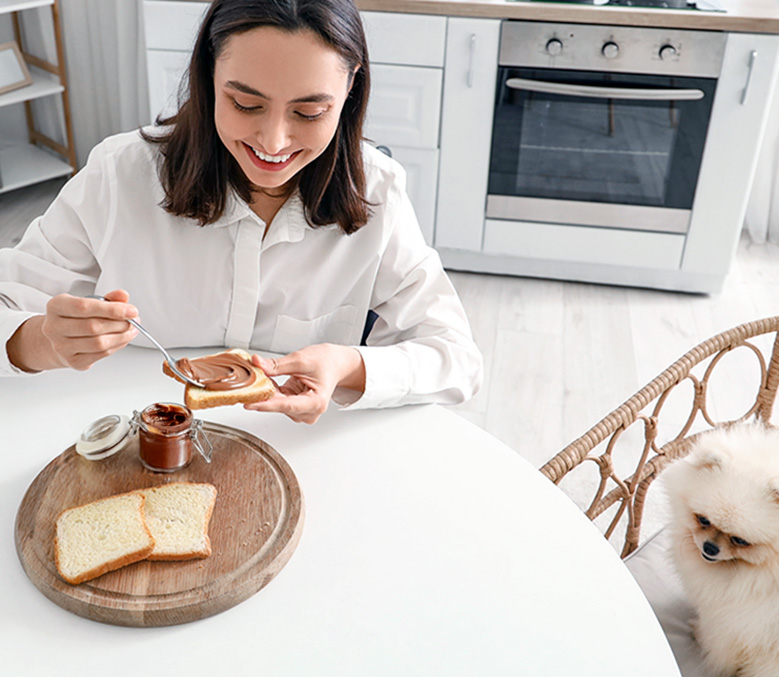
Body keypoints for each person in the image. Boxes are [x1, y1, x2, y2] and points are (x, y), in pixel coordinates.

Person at [0, 0, 482, 423]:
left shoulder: (378, 191)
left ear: (351, 88)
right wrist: (40, 339)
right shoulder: (120, 175)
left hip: (298, 452)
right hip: (135, 432)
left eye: (309, 113)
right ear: (210, 77)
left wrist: (347, 367)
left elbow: (457, 359)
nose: (273, 143)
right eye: (246, 104)